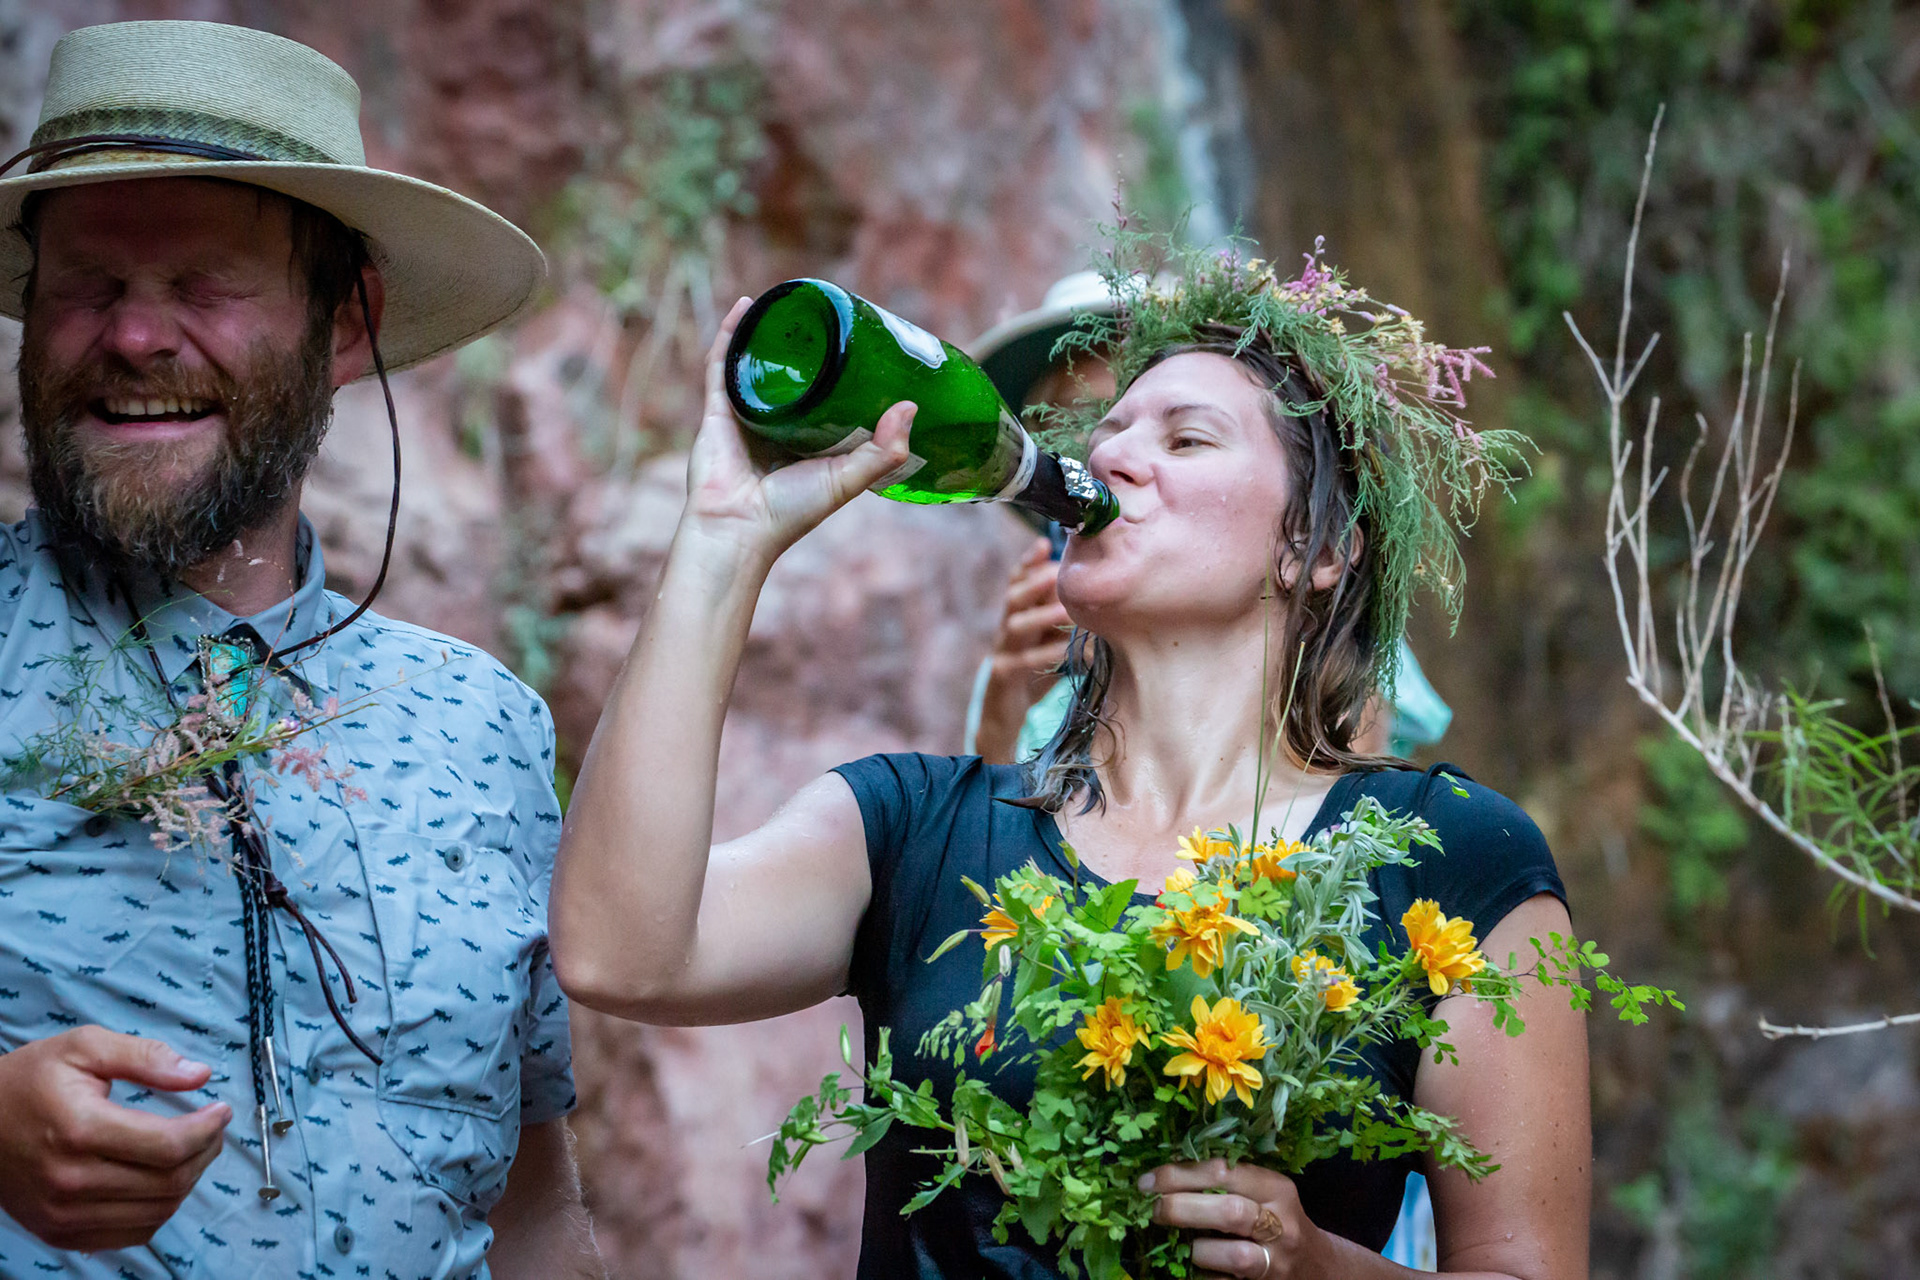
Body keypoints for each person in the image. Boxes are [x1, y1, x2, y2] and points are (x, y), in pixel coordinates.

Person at [552, 247, 1588, 1278]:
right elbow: (618, 954)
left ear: (1314, 549)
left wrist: (1321, 1267)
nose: (1115, 457)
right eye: (1107, 435)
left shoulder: (1450, 859)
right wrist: (722, 540)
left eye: (1186, 438)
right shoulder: (918, 827)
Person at [0, 21, 601, 1276]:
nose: (136, 338)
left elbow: (534, 1211)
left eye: (203, 285)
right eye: (87, 285)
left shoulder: (480, 724)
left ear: (346, 321)